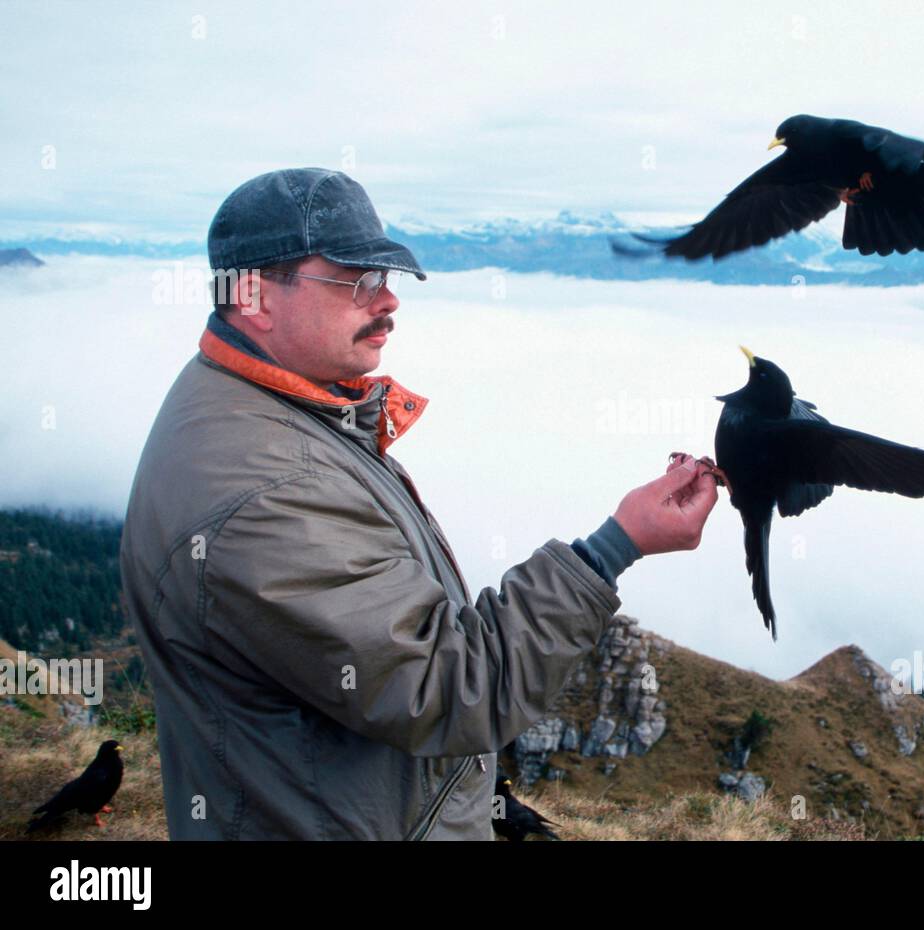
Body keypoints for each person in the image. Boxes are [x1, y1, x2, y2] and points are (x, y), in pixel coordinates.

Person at [119, 167, 719, 840]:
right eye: (355, 281)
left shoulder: (274, 409)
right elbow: (450, 685)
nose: (387, 301)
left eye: (387, 278)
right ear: (254, 296)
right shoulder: (263, 491)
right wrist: (617, 544)